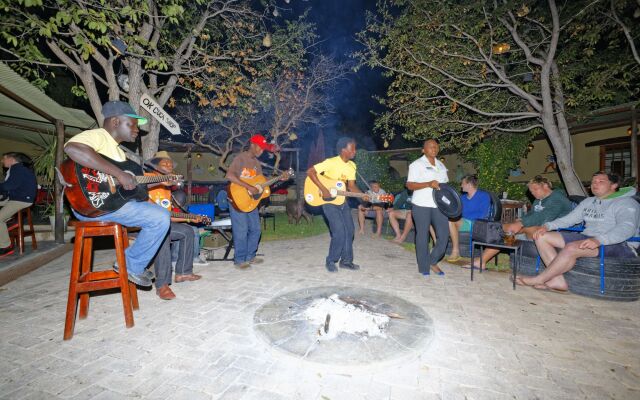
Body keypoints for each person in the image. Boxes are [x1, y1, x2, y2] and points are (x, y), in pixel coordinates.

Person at [64, 101, 170, 287]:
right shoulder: (98, 136)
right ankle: (130, 266)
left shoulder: (118, 153)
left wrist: (158, 180)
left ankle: (132, 263)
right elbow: (73, 149)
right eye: (132, 124)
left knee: (156, 211)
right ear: (115, 122)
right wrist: (119, 174)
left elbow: (126, 187)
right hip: (94, 204)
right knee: (160, 217)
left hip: (110, 205)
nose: (137, 129)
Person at [517, 172, 640, 292]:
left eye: (601, 181)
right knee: (541, 236)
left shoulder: (626, 203)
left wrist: (599, 240)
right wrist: (548, 226)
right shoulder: (589, 202)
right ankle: (557, 281)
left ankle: (539, 279)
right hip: (589, 237)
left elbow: (626, 228)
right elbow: (570, 219)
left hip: (621, 244)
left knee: (572, 248)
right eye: (593, 182)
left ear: (614, 185)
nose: (595, 184)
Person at [463, 175, 573, 269]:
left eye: (535, 189)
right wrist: (521, 219)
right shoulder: (539, 199)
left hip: (555, 232)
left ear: (545, 186)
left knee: (514, 229)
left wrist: (521, 223)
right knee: (506, 230)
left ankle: (481, 260)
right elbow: (532, 214)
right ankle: (481, 260)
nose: (533, 193)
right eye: (531, 191)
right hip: (537, 228)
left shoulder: (557, 198)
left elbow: (544, 217)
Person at [307, 137, 369, 272]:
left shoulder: (352, 166)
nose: (355, 151)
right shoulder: (331, 162)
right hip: (328, 203)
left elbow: (351, 186)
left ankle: (346, 261)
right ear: (343, 150)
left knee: (350, 230)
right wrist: (323, 189)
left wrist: (363, 197)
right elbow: (310, 172)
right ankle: (331, 260)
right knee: (339, 231)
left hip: (342, 201)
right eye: (352, 148)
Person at [146, 152, 203, 300]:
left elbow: (167, 215)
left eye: (170, 164)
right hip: (143, 227)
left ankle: (183, 272)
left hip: (161, 223)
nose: (169, 166)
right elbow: (143, 205)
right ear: (155, 166)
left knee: (187, 231)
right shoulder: (147, 178)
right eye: (165, 164)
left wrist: (190, 219)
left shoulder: (167, 188)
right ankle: (162, 284)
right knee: (163, 233)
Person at [226, 134, 281, 269]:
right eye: (260, 148)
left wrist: (279, 178)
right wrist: (248, 187)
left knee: (256, 229)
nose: (261, 151)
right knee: (241, 229)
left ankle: (250, 256)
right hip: (236, 199)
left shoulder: (257, 163)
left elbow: (259, 183)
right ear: (253, 145)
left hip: (251, 201)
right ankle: (239, 260)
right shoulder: (240, 158)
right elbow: (229, 175)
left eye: (263, 149)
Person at [406, 139, 449, 276]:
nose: (434, 148)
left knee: (443, 236)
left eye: (436, 146)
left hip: (439, 205)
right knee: (423, 236)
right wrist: (428, 183)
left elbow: (445, 186)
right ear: (423, 150)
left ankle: (432, 260)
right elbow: (410, 185)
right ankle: (423, 267)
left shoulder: (441, 165)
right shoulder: (416, 165)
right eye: (430, 147)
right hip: (421, 204)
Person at [446, 175, 491, 262]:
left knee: (451, 220)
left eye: (462, 183)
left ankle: (456, 252)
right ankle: (438, 246)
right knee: (439, 218)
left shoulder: (483, 196)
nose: (461, 186)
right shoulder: (462, 198)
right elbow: (457, 212)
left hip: (476, 223)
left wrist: (461, 217)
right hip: (462, 221)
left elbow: (483, 214)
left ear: (469, 184)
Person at [0, 152, 37, 257]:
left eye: (4, 158)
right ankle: (9, 220)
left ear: (11, 159)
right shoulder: (18, 169)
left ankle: (5, 247)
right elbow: (10, 188)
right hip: (17, 198)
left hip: (22, 200)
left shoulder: (17, 169)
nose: (2, 161)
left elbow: (9, 186)